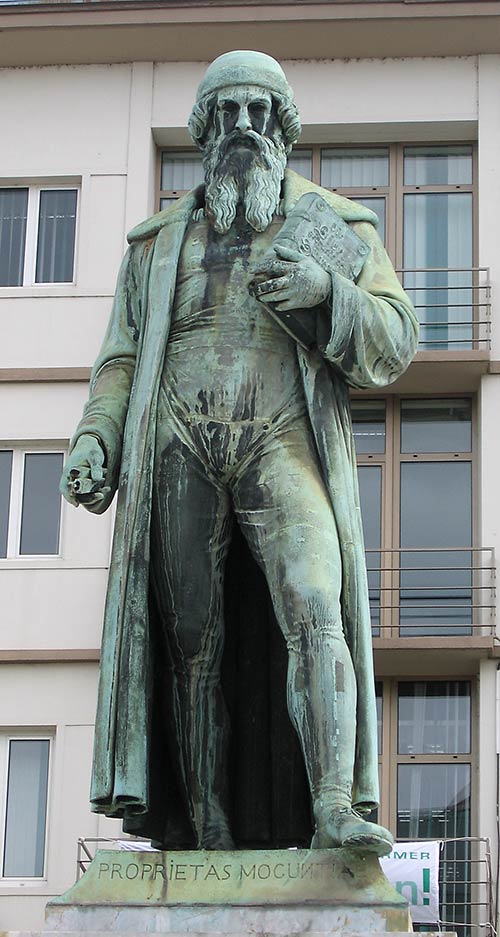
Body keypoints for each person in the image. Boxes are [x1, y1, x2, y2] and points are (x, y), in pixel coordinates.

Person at [60, 51, 418, 855]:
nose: (243, 130)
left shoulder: (333, 226)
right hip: (179, 441)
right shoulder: (156, 244)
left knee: (315, 603)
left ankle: (332, 807)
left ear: (285, 130)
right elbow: (120, 359)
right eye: (225, 115)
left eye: (260, 113)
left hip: (280, 439)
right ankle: (205, 822)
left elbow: (395, 340)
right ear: (202, 135)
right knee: (190, 642)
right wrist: (97, 435)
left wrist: (333, 296)